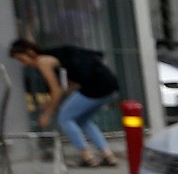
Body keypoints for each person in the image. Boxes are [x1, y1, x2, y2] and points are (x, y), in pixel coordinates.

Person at [8, 37, 121, 167]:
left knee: (65, 118)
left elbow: (55, 89)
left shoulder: (42, 61)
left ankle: (88, 156)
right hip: (110, 85)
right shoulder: (58, 54)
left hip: (95, 86)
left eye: (21, 59)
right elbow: (68, 86)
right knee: (83, 120)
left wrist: (47, 114)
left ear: (30, 52)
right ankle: (108, 155)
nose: (24, 63)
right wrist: (51, 103)